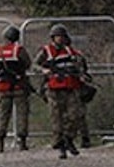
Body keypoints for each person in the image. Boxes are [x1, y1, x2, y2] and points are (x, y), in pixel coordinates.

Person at [34, 24, 85, 159]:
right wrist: (44, 70)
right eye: (57, 37)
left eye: (62, 36)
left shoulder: (70, 51)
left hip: (70, 87)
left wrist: (81, 73)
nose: (60, 39)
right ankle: (60, 145)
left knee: (75, 116)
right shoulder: (46, 51)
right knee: (57, 119)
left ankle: (69, 139)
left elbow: (79, 64)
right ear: (53, 38)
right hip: (54, 89)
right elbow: (35, 65)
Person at [0, 25, 32, 152]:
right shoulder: (18, 50)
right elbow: (27, 63)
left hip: (2, 87)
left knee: (3, 115)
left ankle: (0, 143)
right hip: (19, 86)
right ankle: (22, 142)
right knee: (22, 114)